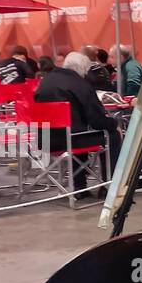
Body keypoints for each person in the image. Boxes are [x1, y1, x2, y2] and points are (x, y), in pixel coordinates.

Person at [35, 50, 122, 194]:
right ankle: (108, 185)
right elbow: (97, 121)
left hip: (45, 139)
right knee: (111, 134)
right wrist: (114, 125)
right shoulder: (80, 85)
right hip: (70, 139)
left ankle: (80, 187)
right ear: (83, 69)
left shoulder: (45, 81)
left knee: (77, 129)